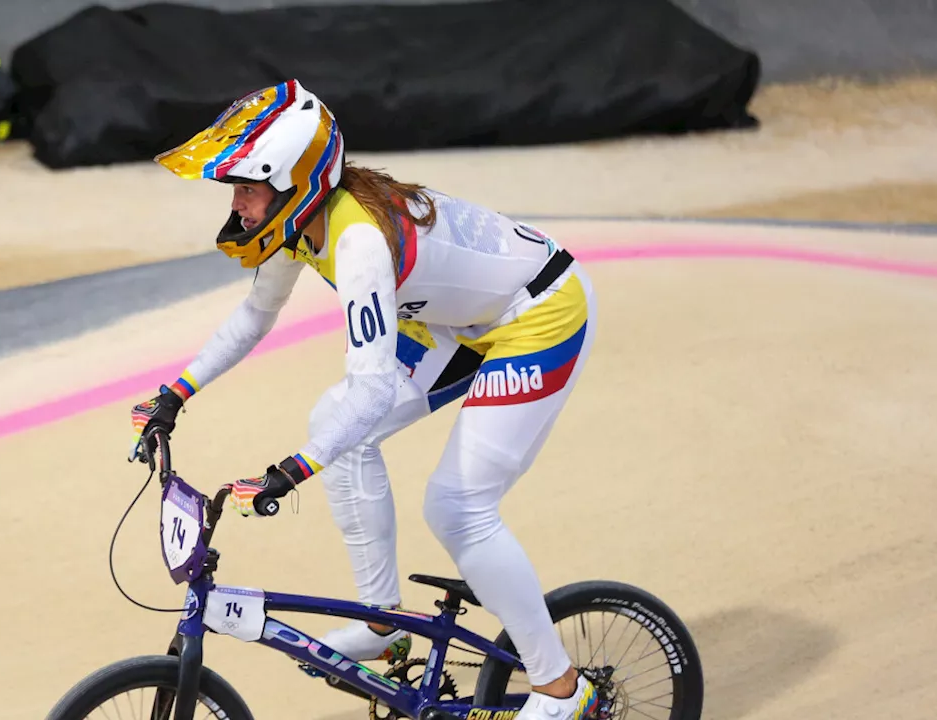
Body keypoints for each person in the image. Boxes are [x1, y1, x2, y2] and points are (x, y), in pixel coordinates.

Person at [130, 79, 598, 720]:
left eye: (246, 187)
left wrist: (293, 470)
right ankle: (385, 624)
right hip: (458, 324)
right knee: (336, 425)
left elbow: (374, 385)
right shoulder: (300, 220)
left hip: (536, 316)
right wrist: (175, 393)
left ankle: (561, 690)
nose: (237, 204)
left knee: (458, 508)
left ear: (293, 181)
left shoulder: (357, 243)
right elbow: (254, 317)